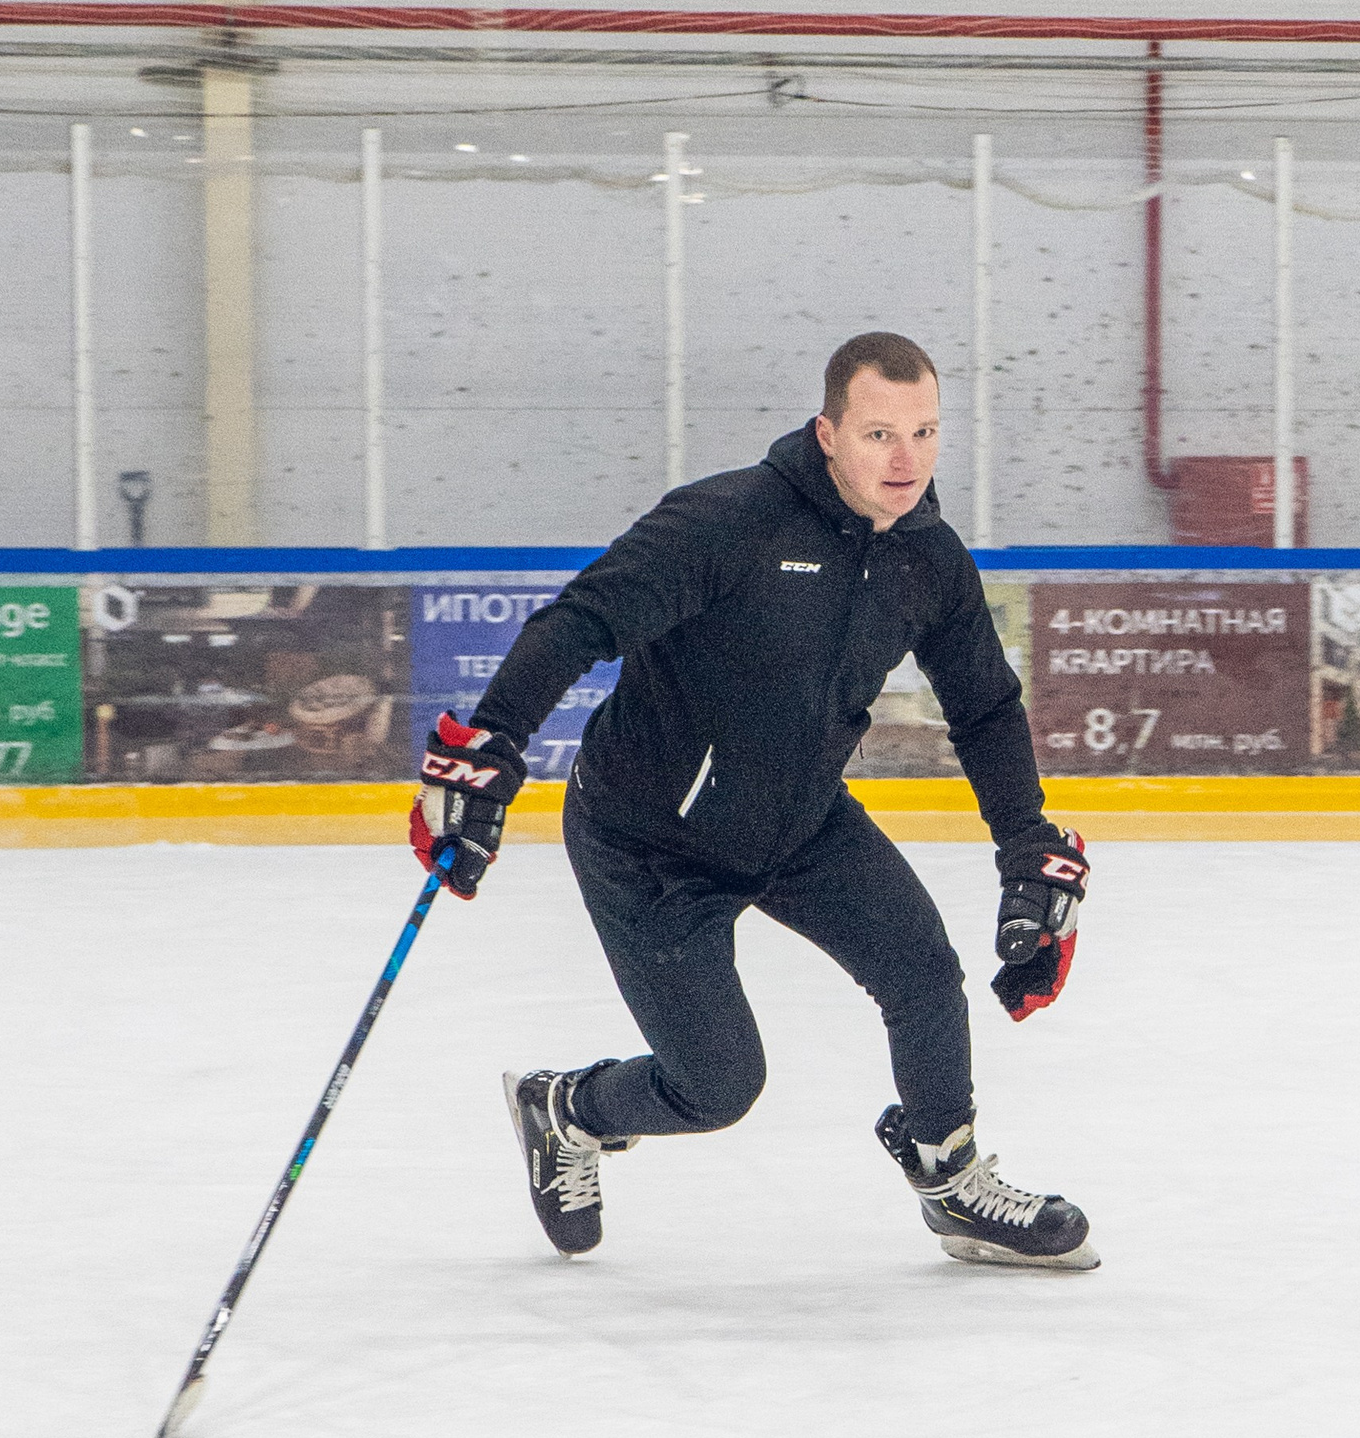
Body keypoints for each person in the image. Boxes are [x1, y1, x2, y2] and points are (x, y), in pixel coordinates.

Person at [411, 331, 1097, 1271]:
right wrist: (493, 739)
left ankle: (951, 1176)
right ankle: (564, 1107)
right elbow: (582, 618)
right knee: (718, 1085)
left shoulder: (926, 559)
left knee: (923, 972)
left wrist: (1027, 849)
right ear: (827, 432)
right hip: (648, 841)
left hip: (800, 817)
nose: (906, 461)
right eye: (880, 434)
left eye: (926, 433)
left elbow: (984, 706)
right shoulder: (728, 521)